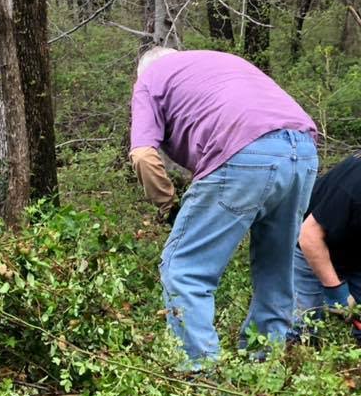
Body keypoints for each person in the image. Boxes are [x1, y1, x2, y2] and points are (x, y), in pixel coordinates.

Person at [130, 47, 317, 366]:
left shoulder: (150, 78)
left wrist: (168, 205)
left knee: (184, 270)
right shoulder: (220, 63)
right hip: (303, 152)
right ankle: (266, 361)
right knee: (276, 266)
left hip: (242, 152)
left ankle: (200, 375)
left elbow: (143, 157)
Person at [291, 153, 361, 344]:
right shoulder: (355, 187)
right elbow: (309, 236)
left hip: (354, 250)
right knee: (303, 328)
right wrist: (336, 291)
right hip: (310, 246)